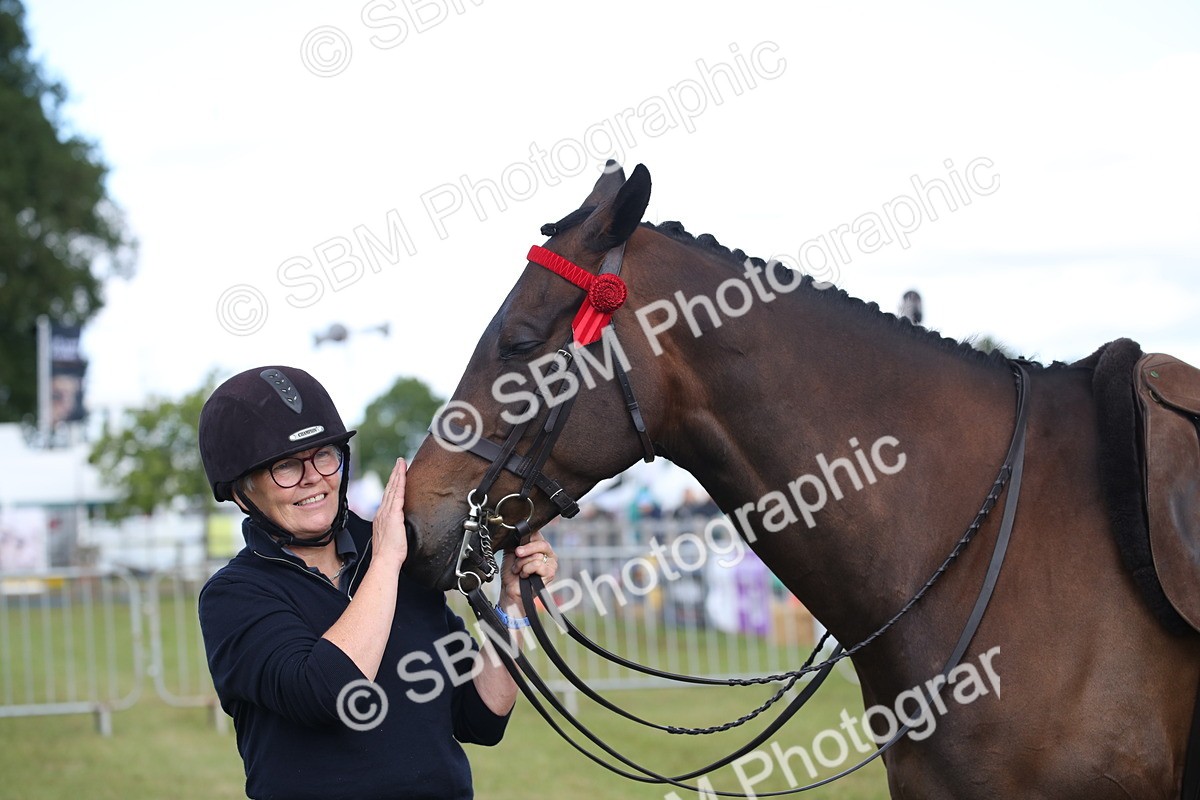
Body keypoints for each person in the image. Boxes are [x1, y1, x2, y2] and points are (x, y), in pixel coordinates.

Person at [196, 365, 556, 800]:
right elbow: (329, 692)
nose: (314, 477)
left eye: (324, 454)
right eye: (286, 466)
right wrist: (386, 561)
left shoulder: (399, 557)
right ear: (241, 492)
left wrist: (512, 604)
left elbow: (481, 715)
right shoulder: (233, 595)